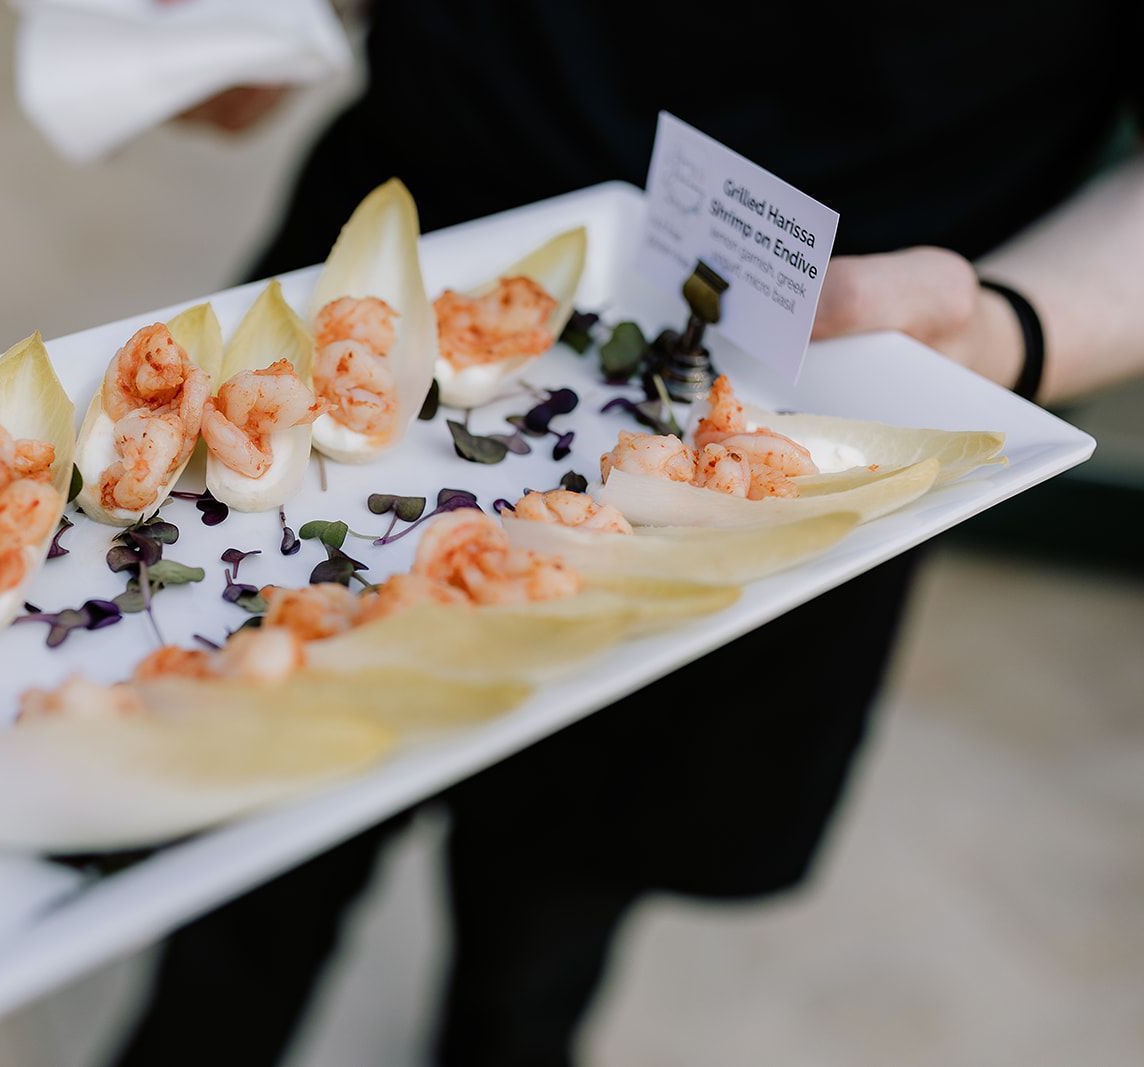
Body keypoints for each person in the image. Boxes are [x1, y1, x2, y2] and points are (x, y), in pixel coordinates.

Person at [110, 3, 1144, 1064]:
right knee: (230, 904)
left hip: (802, 405)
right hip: (401, 252)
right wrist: (233, 37)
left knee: (546, 933)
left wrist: (1010, 329)